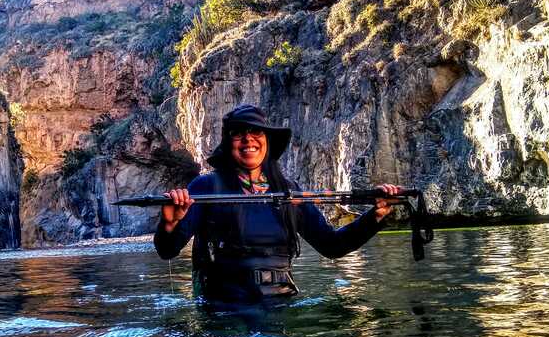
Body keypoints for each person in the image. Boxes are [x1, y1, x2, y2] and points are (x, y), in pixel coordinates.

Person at [153, 104, 403, 303]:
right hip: (225, 308)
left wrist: (375, 216)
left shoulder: (289, 192)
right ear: (228, 144)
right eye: (238, 133)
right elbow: (167, 250)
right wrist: (169, 223)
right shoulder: (205, 188)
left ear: (267, 141)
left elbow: (333, 246)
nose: (248, 139)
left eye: (256, 132)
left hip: (281, 302)